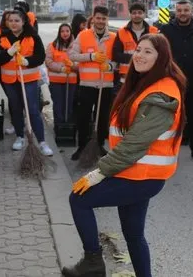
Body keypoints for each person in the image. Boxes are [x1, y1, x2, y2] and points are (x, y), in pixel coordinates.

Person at [63, 34, 185, 277]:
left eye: (148, 51)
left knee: (78, 199)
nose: (139, 55)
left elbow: (134, 144)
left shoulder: (161, 95)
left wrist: (100, 171)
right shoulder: (146, 84)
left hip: (140, 176)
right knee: (133, 235)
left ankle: (93, 263)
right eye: (138, 49)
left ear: (161, 58)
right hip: (135, 173)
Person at [159, 0, 193, 163]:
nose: (182, 13)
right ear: (176, 11)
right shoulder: (166, 29)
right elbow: (162, 54)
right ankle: (167, 149)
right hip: (172, 80)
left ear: (191, 11)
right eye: (179, 10)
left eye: (186, 10)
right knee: (170, 116)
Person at [0, 10, 52, 156]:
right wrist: (8, 53)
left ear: (23, 22)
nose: (13, 23)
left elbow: (40, 57)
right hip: (10, 80)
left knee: (32, 110)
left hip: (29, 79)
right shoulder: (2, 38)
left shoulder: (32, 37)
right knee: (15, 108)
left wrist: (27, 61)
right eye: (11, 21)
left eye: (17, 21)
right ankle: (20, 136)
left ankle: (41, 141)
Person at [68, 6, 117, 160]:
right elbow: (72, 55)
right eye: (98, 18)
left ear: (107, 19)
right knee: (83, 117)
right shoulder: (83, 35)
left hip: (106, 85)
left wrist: (109, 66)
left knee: (102, 118)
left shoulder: (114, 37)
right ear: (93, 18)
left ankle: (99, 145)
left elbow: (118, 60)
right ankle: (82, 146)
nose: (101, 21)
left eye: (104, 18)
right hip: (86, 85)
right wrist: (91, 57)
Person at [112, 2, 157, 88]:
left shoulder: (154, 32)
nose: (137, 15)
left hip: (147, 76)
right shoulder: (121, 32)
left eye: (140, 13)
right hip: (126, 78)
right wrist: (136, 57)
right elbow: (116, 55)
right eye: (134, 13)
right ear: (130, 14)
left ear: (144, 14)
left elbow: (159, 53)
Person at [46, 23, 78, 132]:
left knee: (69, 104)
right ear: (59, 33)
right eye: (62, 31)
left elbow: (81, 64)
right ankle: (59, 126)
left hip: (71, 81)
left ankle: (68, 126)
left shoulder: (77, 46)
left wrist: (73, 66)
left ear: (70, 32)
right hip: (56, 81)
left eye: (67, 31)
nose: (65, 33)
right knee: (58, 104)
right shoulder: (52, 46)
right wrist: (61, 68)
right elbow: (49, 62)